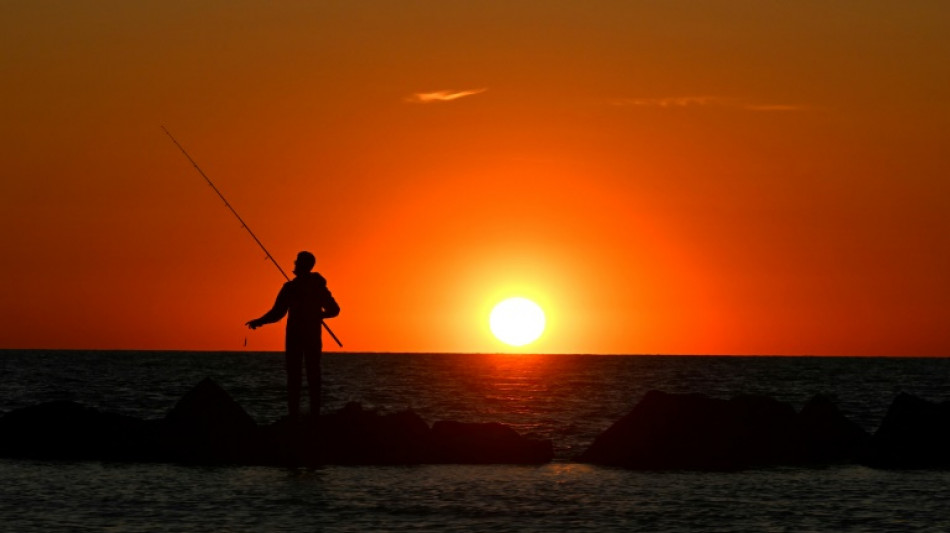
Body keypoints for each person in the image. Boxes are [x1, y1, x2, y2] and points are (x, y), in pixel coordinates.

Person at [246, 251, 340, 420]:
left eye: (297, 262)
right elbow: (334, 310)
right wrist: (319, 315)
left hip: (295, 336)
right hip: (312, 336)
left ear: (302, 265)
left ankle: (294, 416)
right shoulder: (318, 287)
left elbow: (277, 313)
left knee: (295, 375)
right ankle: (314, 415)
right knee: (313, 373)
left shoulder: (291, 288)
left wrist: (259, 322)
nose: (295, 264)